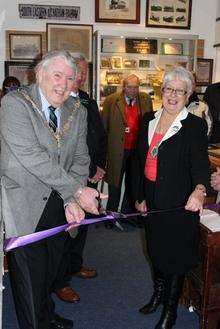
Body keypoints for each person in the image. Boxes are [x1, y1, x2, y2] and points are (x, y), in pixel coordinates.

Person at [0, 50, 103, 329]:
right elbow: (31, 155)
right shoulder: (15, 104)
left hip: (60, 202)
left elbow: (81, 158)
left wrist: (71, 197)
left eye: (70, 78)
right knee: (30, 278)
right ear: (39, 74)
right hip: (25, 203)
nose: (63, 83)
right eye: (57, 75)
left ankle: (46, 314)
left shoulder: (77, 110)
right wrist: (77, 192)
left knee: (50, 271)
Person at [133, 66, 210, 329]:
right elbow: (138, 161)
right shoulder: (148, 119)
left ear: (188, 95)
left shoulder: (195, 125)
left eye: (180, 90)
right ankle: (158, 294)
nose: (173, 95)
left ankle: (170, 310)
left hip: (179, 202)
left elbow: (200, 163)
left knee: (175, 256)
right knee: (155, 250)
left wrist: (199, 190)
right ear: (161, 91)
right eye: (169, 89)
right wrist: (140, 195)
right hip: (152, 199)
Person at [53, 55, 107, 304]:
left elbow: (98, 135)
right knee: (66, 229)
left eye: (85, 73)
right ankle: (60, 281)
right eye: (78, 72)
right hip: (69, 178)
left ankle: (75, 265)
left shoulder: (88, 100)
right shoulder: (57, 102)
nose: (81, 77)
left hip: (91, 173)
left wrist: (100, 166)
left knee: (82, 226)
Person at [102, 74, 153, 227]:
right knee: (115, 185)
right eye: (130, 87)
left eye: (136, 87)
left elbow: (150, 123)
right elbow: (104, 127)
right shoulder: (112, 100)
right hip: (117, 151)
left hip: (137, 151)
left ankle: (128, 216)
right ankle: (110, 218)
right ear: (124, 86)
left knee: (133, 185)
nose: (133, 90)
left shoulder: (145, 99)